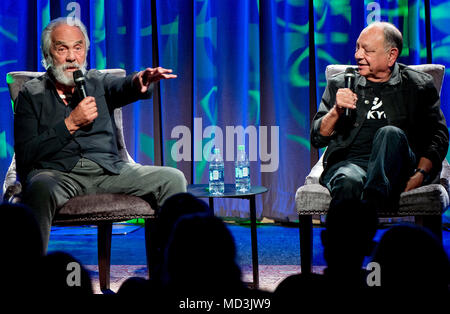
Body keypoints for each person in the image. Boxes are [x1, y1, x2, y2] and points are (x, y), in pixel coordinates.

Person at [13, 17, 187, 251]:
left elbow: (124, 86)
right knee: (40, 189)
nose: (71, 57)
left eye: (78, 47)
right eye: (62, 48)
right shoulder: (31, 94)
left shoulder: (97, 82)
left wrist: (140, 81)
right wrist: (70, 124)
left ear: (85, 51)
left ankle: (170, 272)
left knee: (173, 178)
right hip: (57, 174)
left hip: (109, 171)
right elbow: (26, 154)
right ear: (48, 54)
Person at [311, 22, 449, 211]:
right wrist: (336, 110)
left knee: (389, 133)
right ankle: (350, 234)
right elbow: (317, 138)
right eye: (357, 47)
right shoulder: (341, 83)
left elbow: (437, 136)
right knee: (348, 181)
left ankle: (370, 202)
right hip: (350, 164)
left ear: (391, 55)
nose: (357, 55)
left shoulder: (417, 86)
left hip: (398, 167)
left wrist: (421, 174)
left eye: (366, 51)